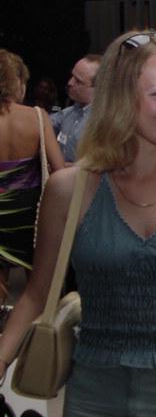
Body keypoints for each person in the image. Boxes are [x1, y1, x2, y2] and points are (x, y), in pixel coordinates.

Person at [0, 31, 156, 417]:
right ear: (120, 99)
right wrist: (2, 358)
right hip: (94, 395)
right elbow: (36, 294)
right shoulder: (69, 191)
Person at [0, 49, 64, 300]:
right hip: (30, 214)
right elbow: (58, 169)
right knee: (38, 291)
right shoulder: (37, 117)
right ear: (17, 82)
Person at [50, 54, 101, 163]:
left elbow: (101, 167)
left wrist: (63, 167)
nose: (70, 83)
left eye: (78, 81)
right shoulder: (70, 112)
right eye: (72, 76)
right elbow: (44, 123)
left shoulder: (104, 122)